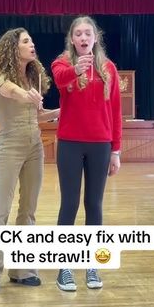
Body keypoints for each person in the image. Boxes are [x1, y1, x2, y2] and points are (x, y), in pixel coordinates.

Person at [0, 27, 59, 293]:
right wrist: (27, 95)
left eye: (32, 40)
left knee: (28, 210)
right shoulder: (1, 77)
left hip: (34, 145)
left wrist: (62, 110)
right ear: (14, 48)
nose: (32, 44)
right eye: (26, 41)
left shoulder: (33, 78)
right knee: (0, 210)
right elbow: (11, 92)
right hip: (9, 145)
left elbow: (37, 116)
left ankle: (22, 270)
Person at [51, 16, 122, 292]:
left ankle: (92, 263)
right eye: (78, 34)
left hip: (100, 144)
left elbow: (115, 111)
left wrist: (115, 150)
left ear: (95, 38)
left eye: (87, 33)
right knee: (69, 204)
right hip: (69, 142)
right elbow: (59, 80)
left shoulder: (109, 68)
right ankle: (64, 267)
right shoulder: (62, 63)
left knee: (94, 204)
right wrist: (76, 71)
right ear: (72, 39)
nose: (83, 38)